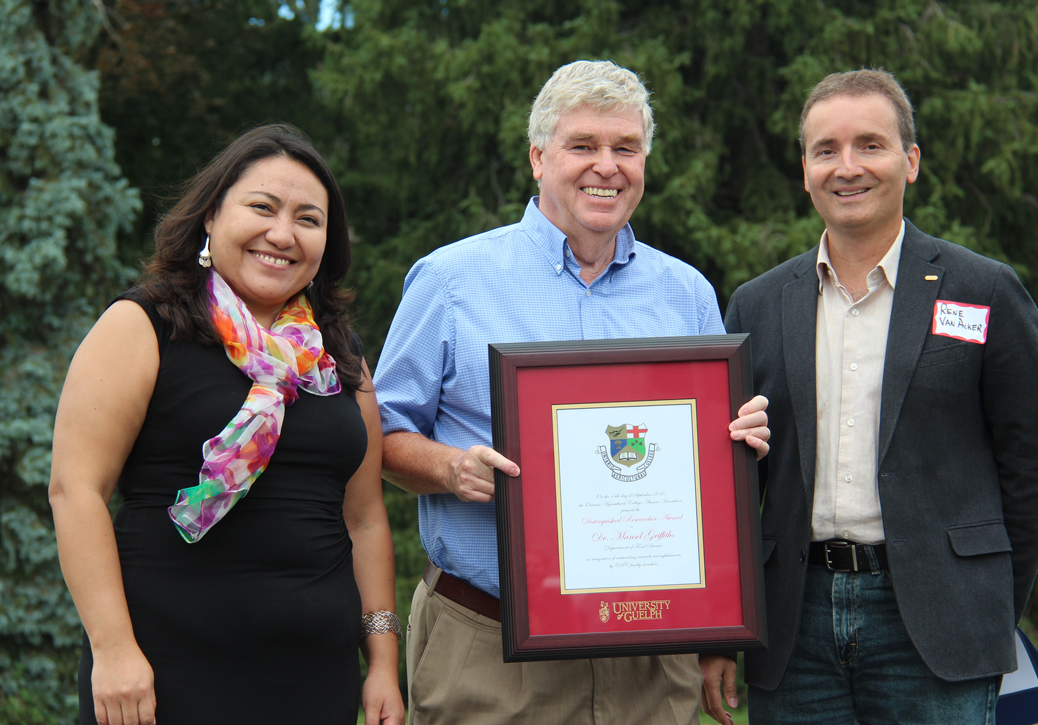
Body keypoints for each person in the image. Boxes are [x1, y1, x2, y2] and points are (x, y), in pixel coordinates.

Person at [373, 60, 771, 724]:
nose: (606, 166)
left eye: (626, 148)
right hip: (487, 646)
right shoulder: (450, 281)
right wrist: (451, 467)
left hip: (650, 657)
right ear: (538, 157)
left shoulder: (687, 293)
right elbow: (379, 439)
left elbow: (706, 483)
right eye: (583, 145)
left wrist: (736, 442)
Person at [701, 69, 1038, 724]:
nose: (847, 167)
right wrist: (722, 625)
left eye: (870, 144)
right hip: (795, 625)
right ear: (806, 167)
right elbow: (732, 477)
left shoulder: (982, 291)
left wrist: (985, 595)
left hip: (938, 624)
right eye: (826, 149)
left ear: (911, 160)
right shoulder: (757, 303)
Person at [49, 124, 404, 725]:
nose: (282, 234)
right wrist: (112, 650)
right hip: (160, 673)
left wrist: (385, 666)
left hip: (317, 679)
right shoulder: (143, 325)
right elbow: (75, 490)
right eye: (262, 208)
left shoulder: (338, 355)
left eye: (308, 219)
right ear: (211, 217)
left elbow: (365, 518)